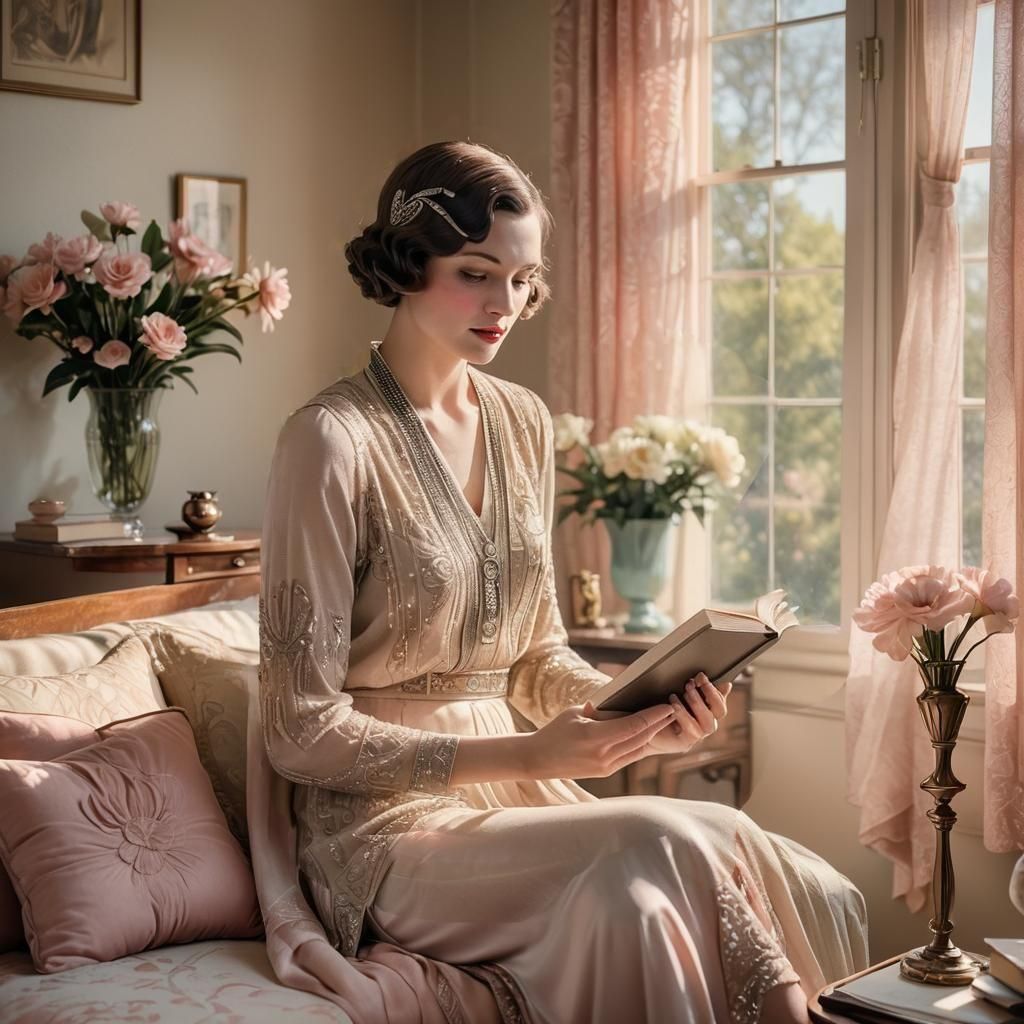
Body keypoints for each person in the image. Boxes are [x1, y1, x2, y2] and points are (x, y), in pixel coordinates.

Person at [258, 140, 868, 1023]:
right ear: (406, 263)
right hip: (379, 831)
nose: (505, 304)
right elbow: (297, 731)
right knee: (668, 835)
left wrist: (640, 711)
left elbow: (537, 656)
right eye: (476, 272)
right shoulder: (328, 440)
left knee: (710, 851)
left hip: (517, 797)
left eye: (523, 278)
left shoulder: (522, 423)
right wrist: (531, 751)